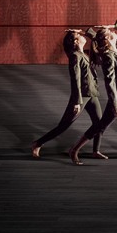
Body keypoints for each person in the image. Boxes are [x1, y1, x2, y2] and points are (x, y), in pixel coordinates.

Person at [69, 20, 117, 165]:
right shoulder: (108, 57)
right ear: (107, 39)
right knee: (100, 126)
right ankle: (75, 149)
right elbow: (109, 82)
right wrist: (115, 104)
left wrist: (109, 27)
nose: (114, 32)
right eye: (112, 33)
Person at [31, 29, 105, 160]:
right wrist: (77, 101)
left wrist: (79, 32)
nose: (82, 36)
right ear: (76, 42)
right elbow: (75, 80)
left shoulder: (82, 53)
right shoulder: (75, 56)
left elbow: (96, 41)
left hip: (92, 93)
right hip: (81, 96)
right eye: (79, 35)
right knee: (64, 125)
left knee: (99, 123)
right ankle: (37, 143)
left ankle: (95, 150)